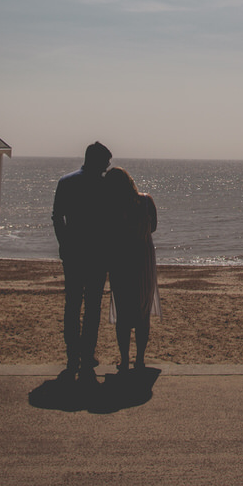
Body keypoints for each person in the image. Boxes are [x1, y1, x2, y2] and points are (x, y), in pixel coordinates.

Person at [50, 142, 114, 380]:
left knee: (73, 304)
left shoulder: (67, 182)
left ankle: (72, 355)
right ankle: (86, 355)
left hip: (73, 253)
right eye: (106, 162)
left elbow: (57, 216)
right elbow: (111, 220)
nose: (108, 167)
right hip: (97, 254)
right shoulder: (104, 186)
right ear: (97, 161)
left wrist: (64, 242)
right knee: (92, 307)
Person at [105, 166, 160, 373]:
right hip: (143, 259)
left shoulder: (112, 207)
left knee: (123, 312)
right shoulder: (146, 201)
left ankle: (125, 359)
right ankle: (140, 359)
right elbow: (154, 226)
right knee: (142, 311)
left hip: (121, 260)